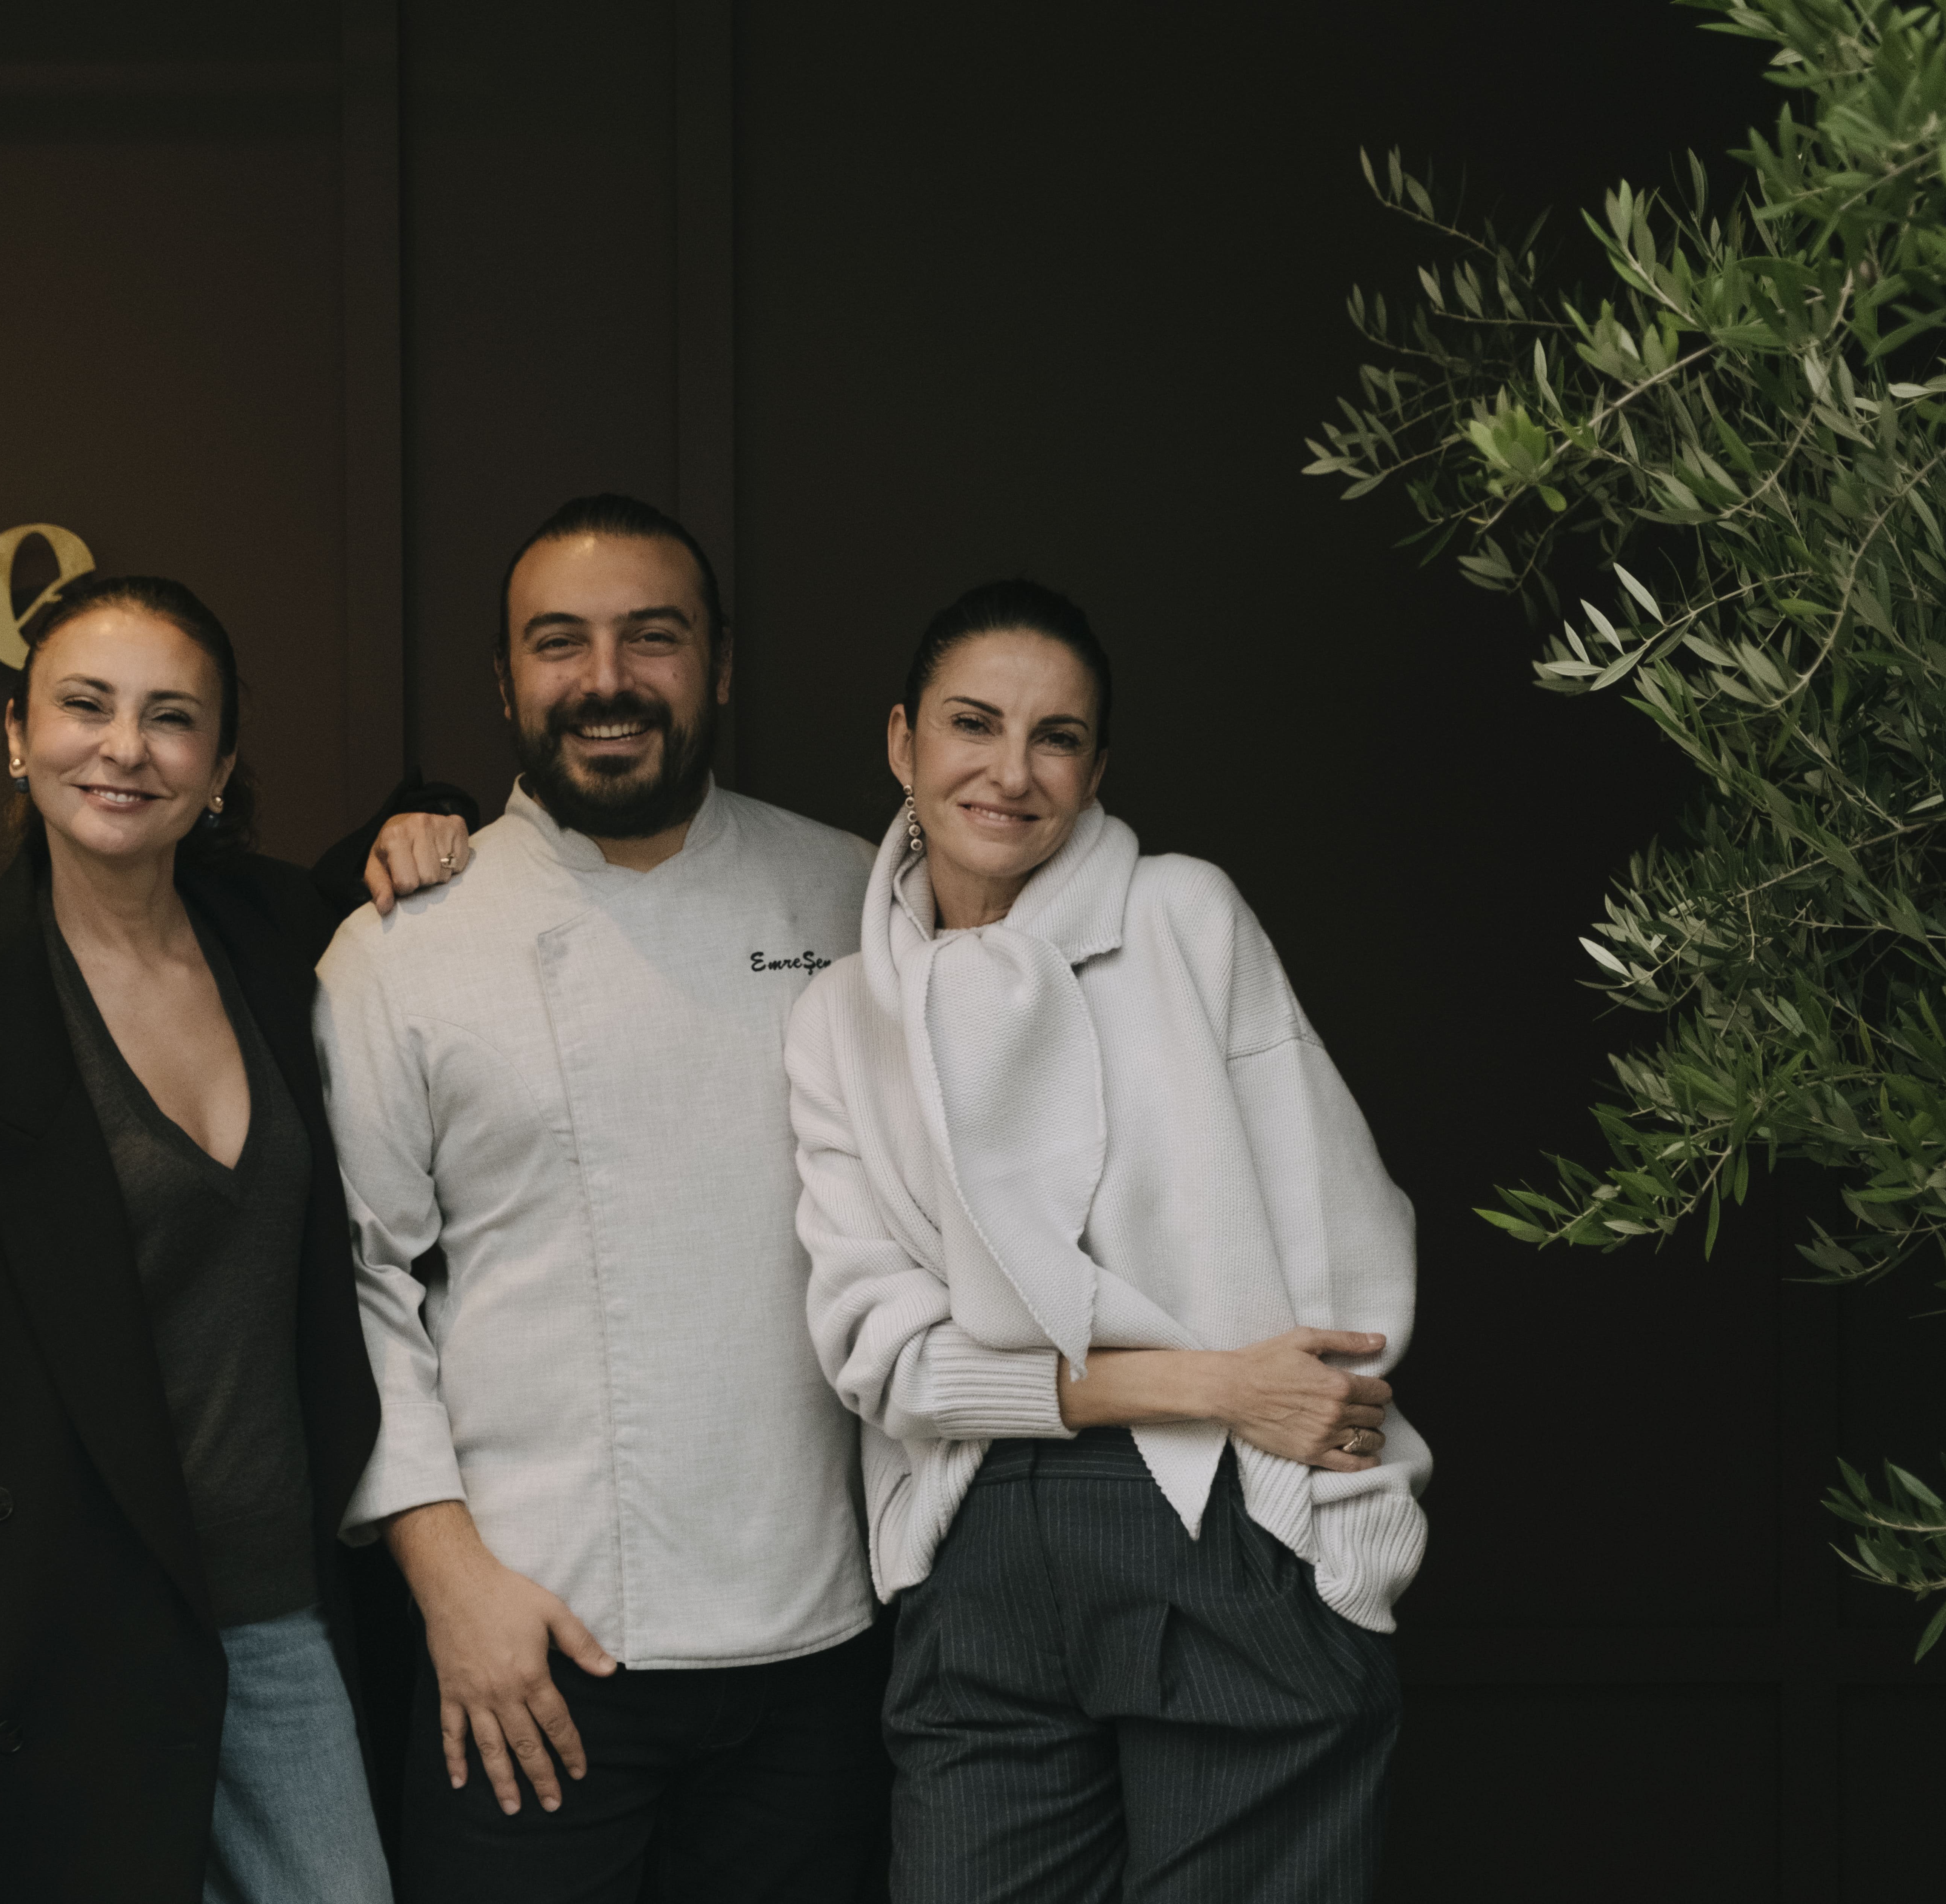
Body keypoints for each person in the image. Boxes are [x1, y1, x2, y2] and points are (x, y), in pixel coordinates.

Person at [785, 579, 1429, 1904]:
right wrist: (1204, 1380)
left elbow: (1344, 1254)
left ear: (1095, 769)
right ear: (901, 742)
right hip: (974, 1549)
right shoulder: (842, 1017)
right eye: (973, 726)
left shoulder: (1183, 919)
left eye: (1057, 738)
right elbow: (884, 1360)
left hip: (1217, 1519)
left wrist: (1343, 1539)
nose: (1011, 774)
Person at [0, 573, 393, 1904]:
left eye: (171, 719)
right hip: (56, 1657)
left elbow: (383, 864)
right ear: (15, 732)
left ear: (219, 765)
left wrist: (430, 816)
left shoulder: (292, 949)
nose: (122, 747)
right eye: (84, 705)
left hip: (280, 1627)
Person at [320, 494, 889, 1901]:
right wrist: (452, 1588)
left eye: (653, 637)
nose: (606, 681)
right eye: (558, 643)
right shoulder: (401, 948)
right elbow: (354, 1287)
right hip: (529, 1650)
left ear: (720, 664)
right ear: (504, 682)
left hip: (823, 1648)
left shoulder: (860, 899)